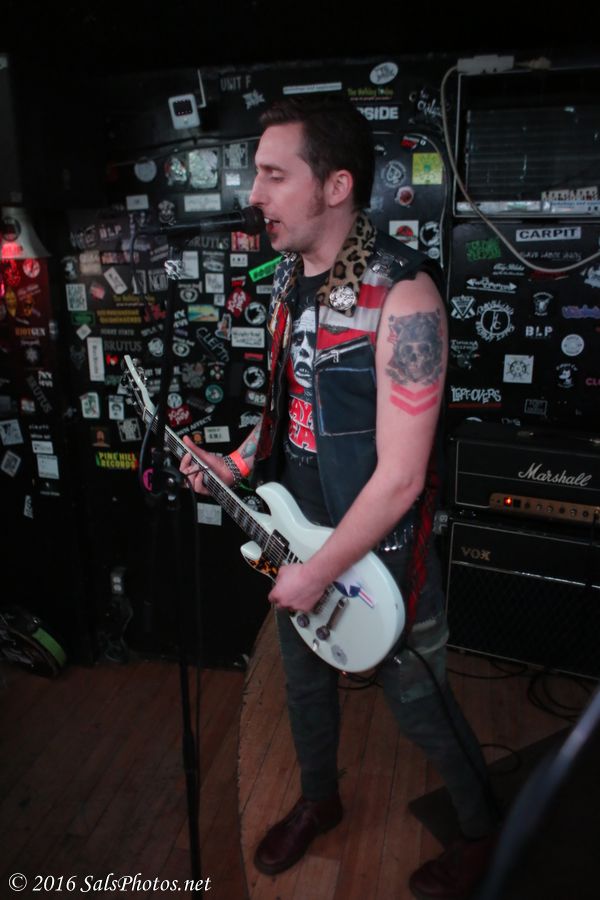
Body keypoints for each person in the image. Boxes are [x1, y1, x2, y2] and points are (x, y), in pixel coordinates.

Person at [180, 95, 499, 899]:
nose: (254, 193)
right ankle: (319, 800)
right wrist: (233, 463)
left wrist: (319, 573)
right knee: (304, 687)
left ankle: (482, 832)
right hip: (297, 536)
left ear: (335, 186)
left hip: (380, 554)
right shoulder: (292, 280)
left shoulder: (405, 296)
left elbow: (401, 478)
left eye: (273, 174)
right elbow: (286, 415)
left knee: (422, 706)